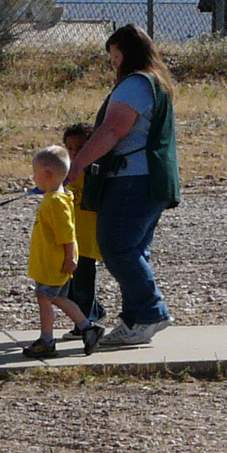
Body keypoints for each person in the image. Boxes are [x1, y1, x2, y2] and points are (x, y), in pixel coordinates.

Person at [65, 23, 179, 347]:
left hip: (133, 179)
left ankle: (150, 311)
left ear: (125, 52)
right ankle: (134, 321)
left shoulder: (134, 85)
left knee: (116, 245)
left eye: (114, 54)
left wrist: (79, 162)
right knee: (134, 247)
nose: (112, 61)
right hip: (152, 179)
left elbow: (112, 131)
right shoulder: (156, 83)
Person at [21, 146, 103, 358]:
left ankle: (47, 339)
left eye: (35, 174)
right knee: (56, 298)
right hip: (48, 261)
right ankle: (87, 326)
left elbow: (67, 234)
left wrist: (70, 258)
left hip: (53, 262)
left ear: (47, 174)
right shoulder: (55, 198)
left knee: (44, 297)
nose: (33, 178)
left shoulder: (56, 202)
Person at [62, 121, 106, 332]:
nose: (74, 153)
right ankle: (95, 312)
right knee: (69, 284)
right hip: (70, 236)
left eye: (80, 148)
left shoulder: (95, 173)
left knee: (83, 283)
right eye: (70, 148)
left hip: (88, 238)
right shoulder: (66, 173)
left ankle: (86, 322)